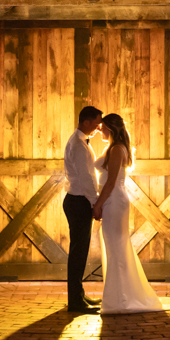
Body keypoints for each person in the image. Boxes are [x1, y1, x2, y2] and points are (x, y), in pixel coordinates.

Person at [92, 113, 170, 313]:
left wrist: (98, 204)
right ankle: (118, 295)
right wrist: (98, 132)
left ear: (112, 129)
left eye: (103, 127)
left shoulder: (117, 150)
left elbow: (110, 182)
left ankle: (121, 299)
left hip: (113, 201)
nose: (100, 130)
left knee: (116, 248)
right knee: (115, 248)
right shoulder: (113, 147)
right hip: (113, 200)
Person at [61, 105, 103, 314]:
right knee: (78, 252)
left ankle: (78, 294)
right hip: (79, 201)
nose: (97, 128)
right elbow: (86, 178)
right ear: (86, 122)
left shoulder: (79, 142)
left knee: (80, 251)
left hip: (77, 199)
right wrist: (95, 203)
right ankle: (75, 301)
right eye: (95, 124)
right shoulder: (78, 145)